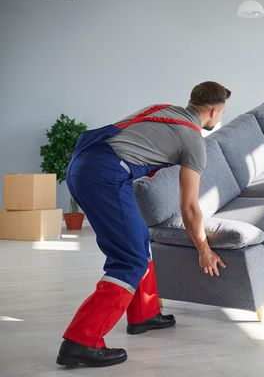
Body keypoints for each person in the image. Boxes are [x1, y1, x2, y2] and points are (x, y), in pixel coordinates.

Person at [56, 81, 230, 368]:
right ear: (213, 111)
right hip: (105, 175)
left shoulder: (161, 109)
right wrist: (204, 249)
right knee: (129, 259)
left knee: (138, 242)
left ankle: (144, 315)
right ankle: (81, 341)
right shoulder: (193, 140)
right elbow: (189, 207)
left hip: (83, 166)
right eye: (222, 112)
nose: (221, 117)